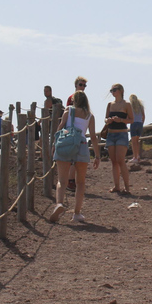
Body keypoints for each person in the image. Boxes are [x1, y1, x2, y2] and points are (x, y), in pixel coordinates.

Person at [49, 91, 101, 223]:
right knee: (80, 182)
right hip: (82, 146)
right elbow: (93, 137)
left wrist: (54, 145)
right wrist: (97, 155)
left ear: (74, 100)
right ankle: (77, 213)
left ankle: (59, 204)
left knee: (62, 180)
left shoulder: (68, 111)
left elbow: (60, 128)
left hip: (66, 144)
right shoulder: (90, 116)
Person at [105, 83, 133, 194]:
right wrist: (108, 120)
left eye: (114, 90)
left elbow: (131, 120)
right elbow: (106, 118)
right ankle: (117, 186)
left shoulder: (127, 104)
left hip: (122, 134)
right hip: (111, 134)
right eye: (111, 90)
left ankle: (127, 187)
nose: (112, 92)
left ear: (121, 90)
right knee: (114, 161)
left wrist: (120, 120)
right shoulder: (109, 104)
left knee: (120, 160)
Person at [65, 76, 88, 192]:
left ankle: (72, 180)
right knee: (71, 158)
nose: (82, 87)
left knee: (75, 158)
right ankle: (70, 181)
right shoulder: (71, 98)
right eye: (81, 85)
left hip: (79, 132)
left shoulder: (84, 99)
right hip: (72, 131)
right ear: (76, 85)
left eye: (84, 85)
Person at [128, 94, 146, 164]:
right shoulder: (141, 106)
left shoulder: (130, 106)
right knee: (137, 141)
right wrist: (142, 123)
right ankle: (137, 156)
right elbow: (143, 116)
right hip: (140, 124)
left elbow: (129, 116)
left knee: (133, 142)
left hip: (133, 123)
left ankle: (135, 157)